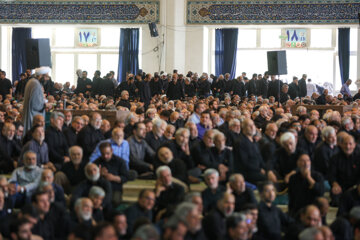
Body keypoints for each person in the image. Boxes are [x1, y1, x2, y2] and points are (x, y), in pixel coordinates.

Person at [329, 134, 360, 206]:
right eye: (345, 144)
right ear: (341, 145)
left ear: (354, 145)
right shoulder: (335, 158)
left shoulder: (359, 157)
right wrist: (335, 184)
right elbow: (331, 175)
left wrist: (357, 186)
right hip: (340, 187)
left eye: (350, 144)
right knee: (336, 201)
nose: (348, 147)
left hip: (356, 187)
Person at [233, 119, 267, 184]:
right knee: (267, 179)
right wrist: (260, 170)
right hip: (248, 173)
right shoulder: (240, 142)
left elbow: (259, 158)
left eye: (253, 125)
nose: (252, 127)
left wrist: (265, 168)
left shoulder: (254, 141)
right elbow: (244, 162)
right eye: (249, 126)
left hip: (257, 169)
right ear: (243, 128)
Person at [22, 67, 50, 134]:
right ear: (41, 75)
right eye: (46, 77)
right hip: (33, 117)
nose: (47, 79)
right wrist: (46, 104)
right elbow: (36, 105)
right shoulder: (36, 84)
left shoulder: (31, 81)